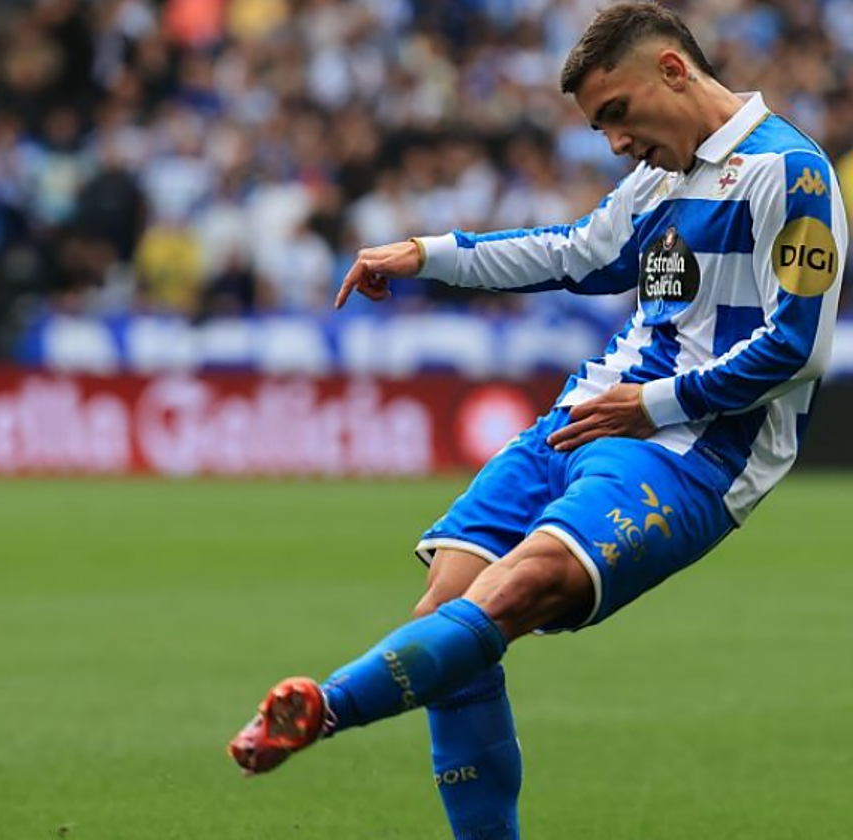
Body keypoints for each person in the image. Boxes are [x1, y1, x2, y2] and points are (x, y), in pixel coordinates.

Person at [226, 4, 848, 839]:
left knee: (517, 589)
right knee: (444, 620)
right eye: (599, 127)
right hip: (586, 415)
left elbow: (796, 349)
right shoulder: (660, 178)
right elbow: (572, 251)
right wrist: (426, 254)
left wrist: (652, 405)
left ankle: (324, 706)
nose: (615, 142)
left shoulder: (790, 172)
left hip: (692, 446)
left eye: (617, 113)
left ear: (672, 70)